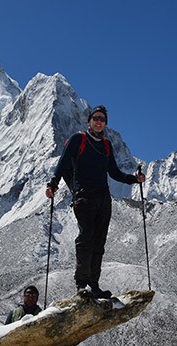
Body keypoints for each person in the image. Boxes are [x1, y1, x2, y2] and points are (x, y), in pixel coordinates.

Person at [45, 105, 145, 299]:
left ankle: (94, 285)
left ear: (105, 124)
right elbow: (63, 162)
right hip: (84, 195)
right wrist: (53, 184)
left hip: (103, 197)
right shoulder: (78, 139)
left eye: (102, 119)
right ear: (89, 121)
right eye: (96, 118)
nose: (99, 121)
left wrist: (134, 179)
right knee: (85, 239)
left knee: (99, 242)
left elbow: (114, 173)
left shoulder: (106, 145)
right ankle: (81, 285)